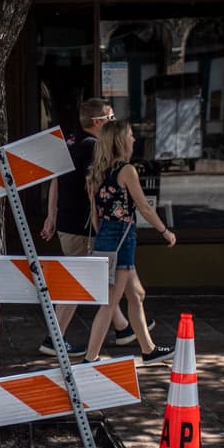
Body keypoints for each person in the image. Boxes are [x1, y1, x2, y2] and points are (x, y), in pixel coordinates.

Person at [38, 98, 151, 356]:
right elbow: (92, 187)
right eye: (111, 119)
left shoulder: (71, 143)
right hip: (83, 227)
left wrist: (51, 214)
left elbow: (56, 179)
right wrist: (101, 221)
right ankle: (54, 338)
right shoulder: (94, 148)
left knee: (104, 281)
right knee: (82, 282)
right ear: (99, 122)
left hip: (72, 223)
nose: (115, 125)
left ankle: (124, 326)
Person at [84, 120, 177, 365]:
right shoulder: (127, 171)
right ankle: (90, 358)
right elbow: (144, 207)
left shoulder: (95, 172)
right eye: (130, 135)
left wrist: (105, 237)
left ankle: (149, 349)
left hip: (106, 236)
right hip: (122, 237)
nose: (134, 139)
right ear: (120, 141)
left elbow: (95, 216)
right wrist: (165, 231)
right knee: (111, 303)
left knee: (136, 295)